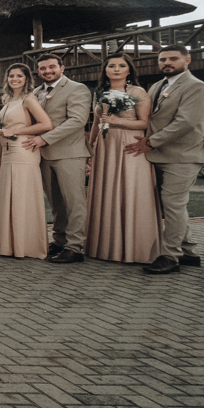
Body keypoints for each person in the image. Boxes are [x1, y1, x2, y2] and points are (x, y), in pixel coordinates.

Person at [126, 45, 204, 275]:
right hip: (157, 154)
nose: (167, 63)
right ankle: (189, 252)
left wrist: (150, 142)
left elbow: (185, 123)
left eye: (173, 59)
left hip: (183, 155)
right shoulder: (156, 86)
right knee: (172, 206)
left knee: (173, 204)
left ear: (187, 60)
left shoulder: (196, 86)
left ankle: (170, 257)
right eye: (163, 59)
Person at [83, 54, 159, 265]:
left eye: (121, 65)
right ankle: (105, 247)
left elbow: (144, 123)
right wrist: (89, 150)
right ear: (105, 70)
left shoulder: (138, 92)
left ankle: (133, 247)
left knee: (128, 189)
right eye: (112, 65)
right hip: (105, 147)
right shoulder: (100, 93)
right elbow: (96, 123)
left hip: (128, 145)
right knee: (105, 190)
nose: (116, 69)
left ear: (129, 70)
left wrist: (117, 121)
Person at [23, 53, 91, 264]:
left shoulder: (77, 88)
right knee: (56, 203)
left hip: (69, 153)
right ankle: (60, 241)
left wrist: (45, 138)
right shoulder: (35, 92)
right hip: (42, 156)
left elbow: (77, 120)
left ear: (62, 68)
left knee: (74, 202)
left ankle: (75, 247)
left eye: (52, 67)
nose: (47, 71)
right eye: (43, 68)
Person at [0, 64, 54, 260]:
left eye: (19, 76)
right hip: (8, 151)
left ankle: (26, 246)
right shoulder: (9, 99)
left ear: (27, 78)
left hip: (24, 150)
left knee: (22, 196)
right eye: (11, 76)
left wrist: (15, 132)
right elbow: (5, 129)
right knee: (10, 196)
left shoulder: (29, 99)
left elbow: (46, 124)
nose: (15, 79)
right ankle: (9, 244)